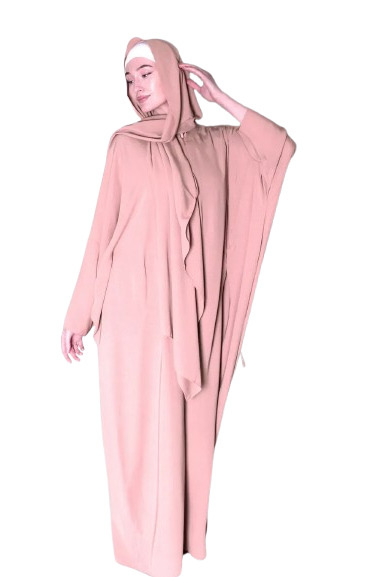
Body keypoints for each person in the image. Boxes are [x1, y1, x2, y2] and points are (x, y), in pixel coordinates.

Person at [60, 37, 296, 577]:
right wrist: (79, 315)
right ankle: (143, 554)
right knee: (140, 435)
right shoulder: (125, 145)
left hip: (191, 319)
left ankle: (175, 547)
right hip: (133, 315)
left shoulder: (218, 145)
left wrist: (221, 98)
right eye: (131, 80)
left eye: (147, 74)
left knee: (184, 433)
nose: (139, 88)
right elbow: (102, 233)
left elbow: (278, 147)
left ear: (173, 71)